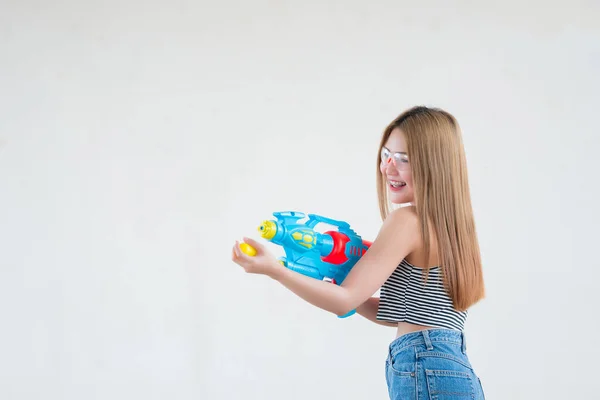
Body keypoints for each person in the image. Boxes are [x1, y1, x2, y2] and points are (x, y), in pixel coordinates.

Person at [231, 105, 486, 399]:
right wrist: (341, 281)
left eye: (403, 159)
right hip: (452, 368)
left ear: (434, 164)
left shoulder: (407, 221)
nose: (388, 167)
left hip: (425, 365)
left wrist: (275, 270)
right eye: (385, 155)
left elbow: (343, 303)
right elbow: (404, 316)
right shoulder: (454, 228)